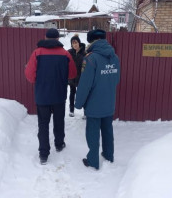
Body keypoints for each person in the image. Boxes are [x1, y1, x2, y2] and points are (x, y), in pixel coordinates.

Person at [25, 28, 77, 165]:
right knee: (59, 121)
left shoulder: (37, 53)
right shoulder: (65, 54)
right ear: (58, 39)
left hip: (42, 96)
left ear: (45, 37)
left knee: (43, 124)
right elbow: (72, 74)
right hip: (59, 95)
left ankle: (43, 154)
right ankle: (59, 144)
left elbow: (30, 76)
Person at [75, 29, 120, 170]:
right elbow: (116, 80)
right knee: (107, 130)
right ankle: (108, 155)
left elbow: (84, 85)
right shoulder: (115, 58)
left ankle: (93, 161)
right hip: (109, 101)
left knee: (93, 133)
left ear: (91, 41)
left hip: (94, 104)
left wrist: (78, 103)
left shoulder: (90, 59)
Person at [67, 34, 86, 117]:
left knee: (83, 94)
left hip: (81, 78)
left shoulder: (84, 53)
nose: (74, 44)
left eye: (76, 42)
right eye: (73, 43)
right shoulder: (69, 53)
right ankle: (71, 110)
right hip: (72, 77)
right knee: (72, 93)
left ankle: (85, 112)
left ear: (79, 43)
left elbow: (86, 65)